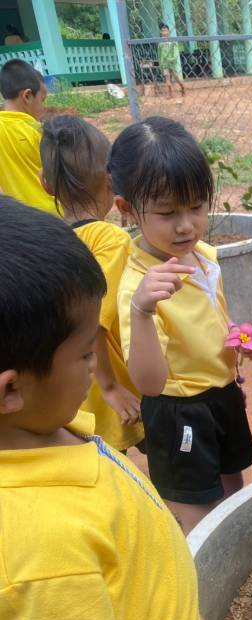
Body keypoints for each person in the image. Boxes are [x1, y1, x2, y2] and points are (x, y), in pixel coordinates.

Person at [0, 195, 240, 620]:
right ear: (10, 391)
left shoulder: (49, 428)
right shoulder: (36, 542)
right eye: (86, 354)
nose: (97, 372)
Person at [112, 116, 252, 534]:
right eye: (167, 212)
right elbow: (150, 384)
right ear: (126, 209)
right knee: (203, 516)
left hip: (221, 396)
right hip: (179, 414)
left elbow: (212, 316)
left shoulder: (205, 255)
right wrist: (142, 312)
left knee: (235, 489)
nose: (186, 224)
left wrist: (236, 341)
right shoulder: (138, 287)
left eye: (196, 207)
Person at [40, 114, 144, 452]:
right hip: (106, 378)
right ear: (110, 180)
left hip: (70, 378)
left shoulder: (48, 237)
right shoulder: (109, 239)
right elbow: (93, 319)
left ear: (45, 183)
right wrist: (111, 386)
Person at [0, 58, 57, 215]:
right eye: (42, 100)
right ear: (27, 96)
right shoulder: (39, 132)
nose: (43, 107)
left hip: (18, 224)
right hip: (53, 218)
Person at [158, 22, 185, 98]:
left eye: (165, 30)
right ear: (161, 32)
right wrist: (160, 63)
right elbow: (159, 54)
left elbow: (176, 53)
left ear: (169, 32)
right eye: (163, 31)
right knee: (167, 78)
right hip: (165, 63)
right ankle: (170, 94)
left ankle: (182, 87)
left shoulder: (173, 41)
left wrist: (172, 59)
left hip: (172, 63)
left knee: (176, 78)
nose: (164, 32)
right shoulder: (160, 43)